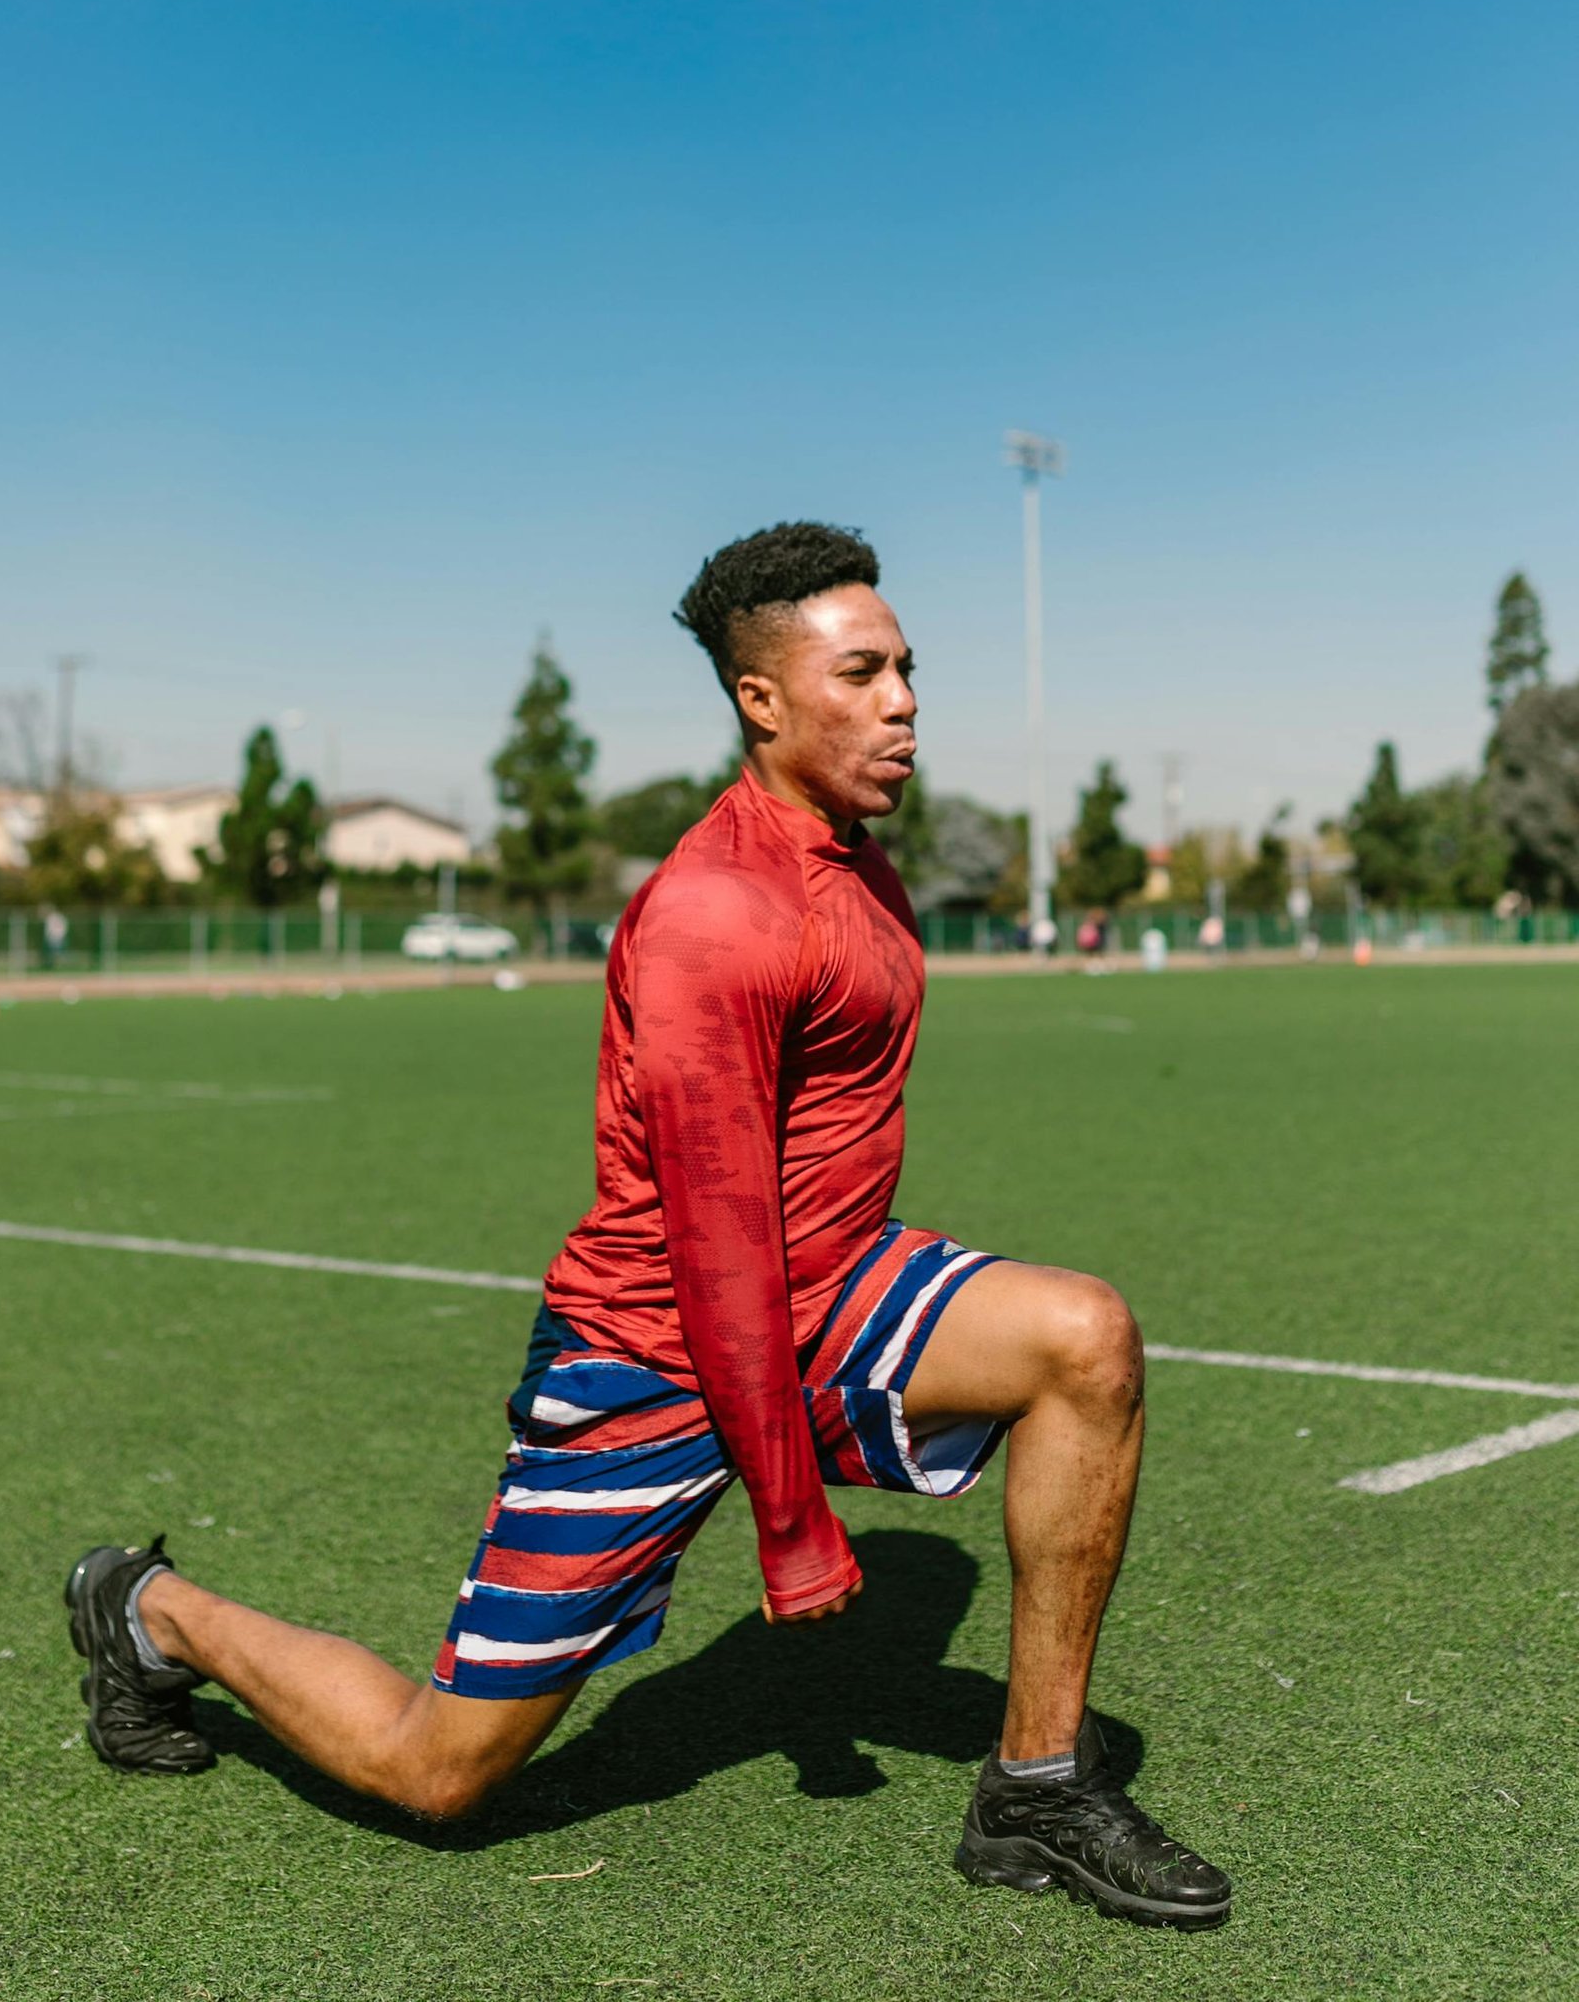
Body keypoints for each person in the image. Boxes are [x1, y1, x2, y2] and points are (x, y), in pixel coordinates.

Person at [64, 521, 1230, 1931]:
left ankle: (1038, 1788)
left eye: (907, 668)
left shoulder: (857, 860)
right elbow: (717, 1244)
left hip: (832, 1290)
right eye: (859, 672)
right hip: (660, 1347)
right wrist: (790, 1521)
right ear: (762, 698)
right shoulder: (715, 912)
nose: (903, 699)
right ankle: (149, 1612)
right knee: (441, 1775)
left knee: (1081, 1339)